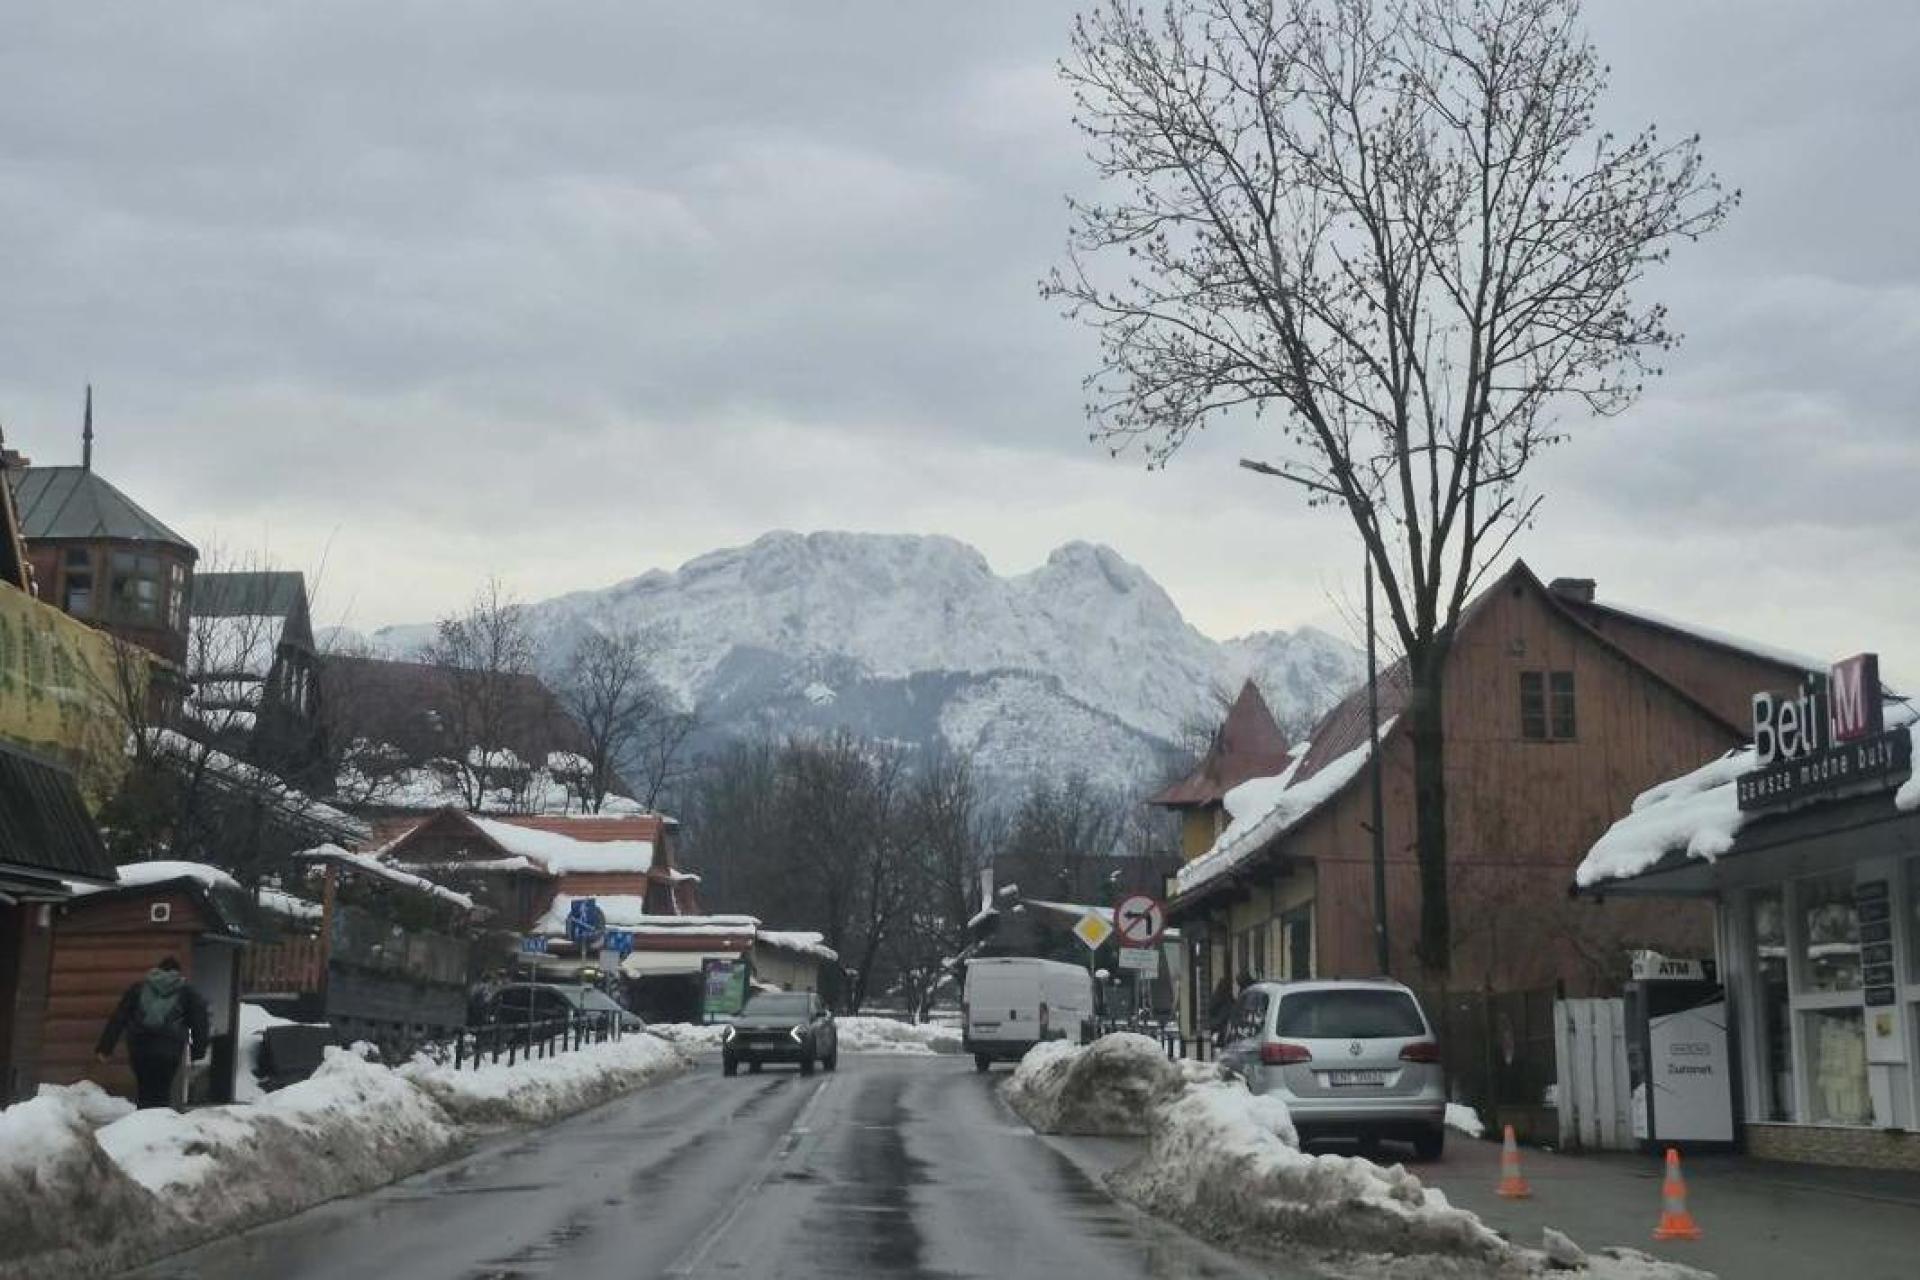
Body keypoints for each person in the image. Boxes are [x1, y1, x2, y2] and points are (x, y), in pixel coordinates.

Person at [96, 957, 210, 1109]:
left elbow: (119, 1018)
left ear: (158, 970)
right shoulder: (187, 992)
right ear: (177, 973)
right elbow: (199, 1022)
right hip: (169, 1048)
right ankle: (158, 1124)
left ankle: (143, 1121)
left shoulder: (138, 988)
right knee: (162, 1090)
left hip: (140, 1047)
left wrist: (105, 1048)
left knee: (144, 1089)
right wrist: (198, 1051)